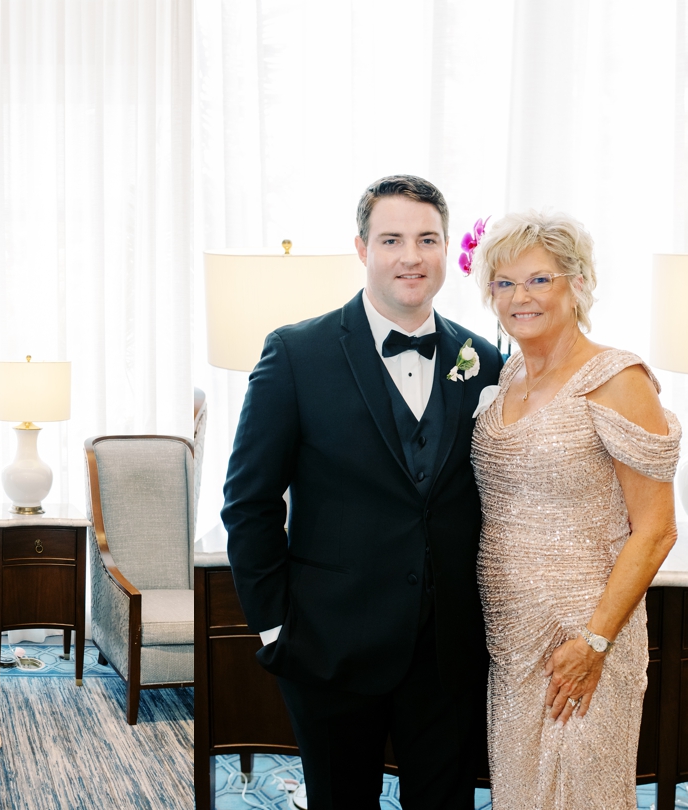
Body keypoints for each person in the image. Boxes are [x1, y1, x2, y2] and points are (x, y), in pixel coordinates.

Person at [222, 175, 503, 809]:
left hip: (447, 652)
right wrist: (273, 627)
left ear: (445, 249)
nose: (412, 256)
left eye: (427, 239)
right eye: (393, 239)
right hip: (329, 645)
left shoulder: (482, 359)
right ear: (361, 248)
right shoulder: (296, 353)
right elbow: (249, 501)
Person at [470, 211, 680, 809]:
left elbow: (657, 530)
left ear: (577, 283)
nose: (520, 296)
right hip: (511, 640)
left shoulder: (615, 378)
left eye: (540, 279)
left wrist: (594, 642)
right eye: (504, 282)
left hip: (584, 636)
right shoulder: (507, 376)